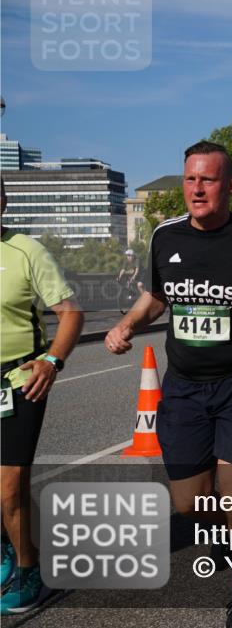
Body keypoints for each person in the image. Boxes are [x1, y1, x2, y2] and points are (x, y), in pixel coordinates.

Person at [104, 142, 232, 628]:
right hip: (185, 386)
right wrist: (128, 325)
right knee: (190, 503)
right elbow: (156, 296)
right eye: (190, 179)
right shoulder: (164, 236)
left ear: (230, 186)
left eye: (209, 180)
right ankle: (228, 533)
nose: (197, 189)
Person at [1, 179, 84, 615]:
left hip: (18, 380)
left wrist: (52, 361)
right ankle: (8, 550)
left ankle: (29, 571)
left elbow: (70, 312)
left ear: (2, 200)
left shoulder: (26, 250)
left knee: (9, 485)